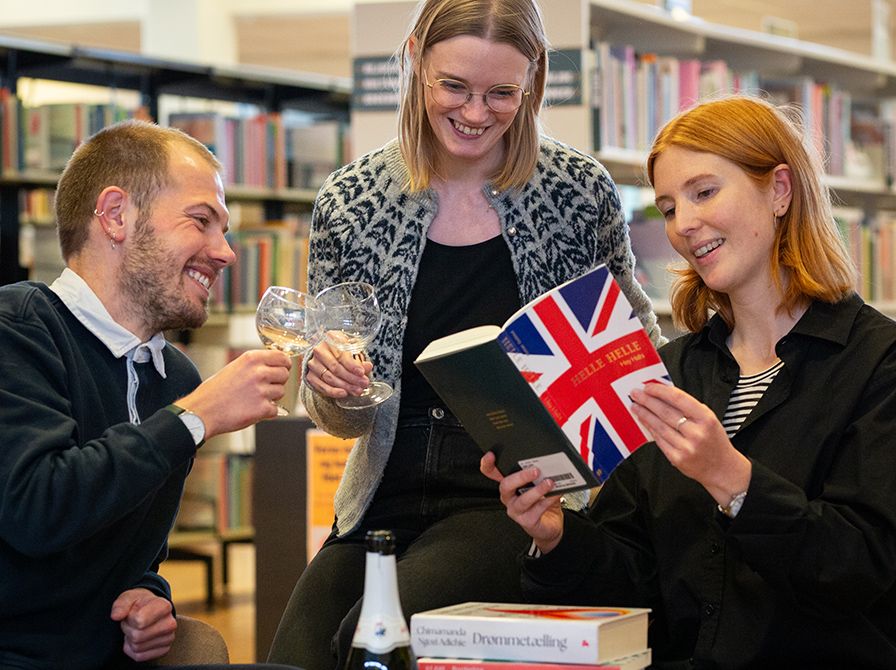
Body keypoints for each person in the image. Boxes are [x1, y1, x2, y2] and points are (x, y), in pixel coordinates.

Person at [267, 1, 663, 669]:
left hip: (510, 492)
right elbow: (338, 418)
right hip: (381, 489)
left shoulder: (577, 192)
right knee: (294, 658)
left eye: (502, 92)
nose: (476, 113)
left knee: (370, 646)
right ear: (416, 58)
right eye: (454, 85)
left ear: (533, 79)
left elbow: (634, 347)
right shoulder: (349, 202)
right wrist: (337, 387)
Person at [482, 94, 896, 666]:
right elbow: (632, 584)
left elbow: (865, 568)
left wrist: (731, 479)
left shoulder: (879, 363)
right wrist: (555, 535)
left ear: (780, 190)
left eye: (704, 193)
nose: (684, 225)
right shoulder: (669, 373)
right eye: (669, 207)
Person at [0, 120, 297, 669]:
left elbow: (136, 555)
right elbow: (35, 510)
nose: (226, 253)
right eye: (201, 221)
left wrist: (150, 598)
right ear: (116, 216)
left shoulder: (175, 378)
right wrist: (195, 417)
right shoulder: (17, 327)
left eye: (225, 230)